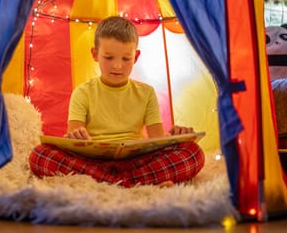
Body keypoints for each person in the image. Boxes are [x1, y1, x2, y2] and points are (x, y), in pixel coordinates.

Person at [29, 16, 204, 187]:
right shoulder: (82, 92)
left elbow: (157, 141)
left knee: (193, 153)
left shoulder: (147, 93)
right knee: (39, 155)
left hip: (137, 162)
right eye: (109, 58)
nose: (117, 66)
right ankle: (132, 182)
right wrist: (77, 137)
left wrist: (176, 139)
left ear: (135, 57)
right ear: (95, 54)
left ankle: (105, 182)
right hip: (93, 161)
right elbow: (74, 140)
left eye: (126, 59)